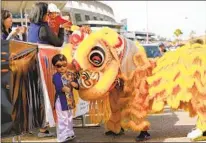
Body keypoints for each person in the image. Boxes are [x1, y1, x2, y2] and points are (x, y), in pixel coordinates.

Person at [52, 54, 79, 142]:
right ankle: (62, 136)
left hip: (70, 100)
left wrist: (75, 85)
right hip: (61, 100)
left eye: (64, 65)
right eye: (59, 66)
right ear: (55, 66)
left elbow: (76, 84)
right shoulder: (56, 76)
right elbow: (59, 87)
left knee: (70, 117)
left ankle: (69, 133)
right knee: (62, 118)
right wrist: (64, 88)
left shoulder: (70, 74)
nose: (62, 67)